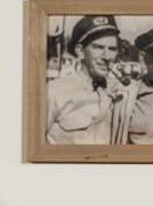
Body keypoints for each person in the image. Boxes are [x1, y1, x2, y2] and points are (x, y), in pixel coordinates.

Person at [46, 15, 120, 145]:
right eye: (98, 47)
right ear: (80, 52)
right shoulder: (54, 91)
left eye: (112, 49)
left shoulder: (119, 91)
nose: (107, 56)